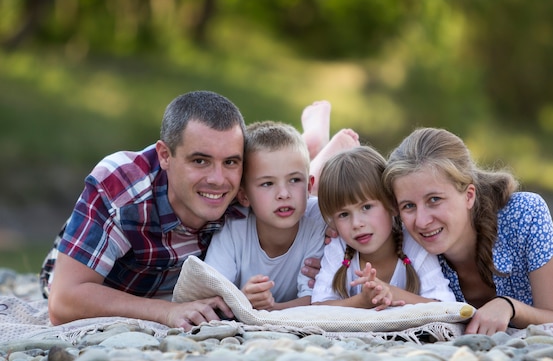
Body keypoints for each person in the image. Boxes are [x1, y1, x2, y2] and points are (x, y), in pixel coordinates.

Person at [39, 91, 345, 331]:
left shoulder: (240, 188)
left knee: (282, 180)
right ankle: (315, 150)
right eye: (200, 161)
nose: (217, 179)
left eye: (231, 161)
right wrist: (167, 311)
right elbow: (63, 300)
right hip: (119, 286)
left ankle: (313, 152)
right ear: (165, 155)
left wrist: (334, 238)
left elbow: (284, 189)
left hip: (182, 284)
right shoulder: (124, 189)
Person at [382, 127, 553, 335]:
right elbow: (358, 215)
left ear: (469, 195)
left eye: (434, 200)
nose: (422, 221)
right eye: (408, 206)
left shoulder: (525, 213)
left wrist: (508, 306)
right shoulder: (404, 237)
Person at [311, 146, 456, 309]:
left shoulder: (413, 244)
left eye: (366, 207)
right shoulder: (339, 248)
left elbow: (446, 306)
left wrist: (391, 293)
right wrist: (362, 301)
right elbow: (318, 307)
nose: (357, 223)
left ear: (392, 204)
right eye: (344, 214)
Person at [204, 121, 327, 310]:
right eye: (268, 184)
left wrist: (272, 309)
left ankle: (323, 145)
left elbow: (318, 300)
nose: (284, 194)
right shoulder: (233, 227)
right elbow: (212, 294)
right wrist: (242, 298)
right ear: (244, 195)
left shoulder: (317, 224)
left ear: (309, 187)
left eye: (294, 180)